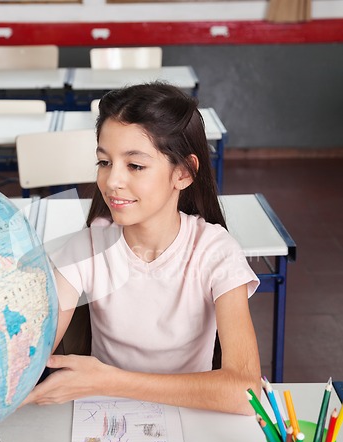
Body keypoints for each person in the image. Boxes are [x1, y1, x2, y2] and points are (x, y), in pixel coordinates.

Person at [22, 82, 261, 414]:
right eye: (104, 162)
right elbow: (29, 354)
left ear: (183, 172)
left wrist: (110, 381)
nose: (111, 181)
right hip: (103, 419)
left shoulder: (215, 251)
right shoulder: (87, 247)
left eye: (135, 165)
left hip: (192, 419)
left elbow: (245, 392)